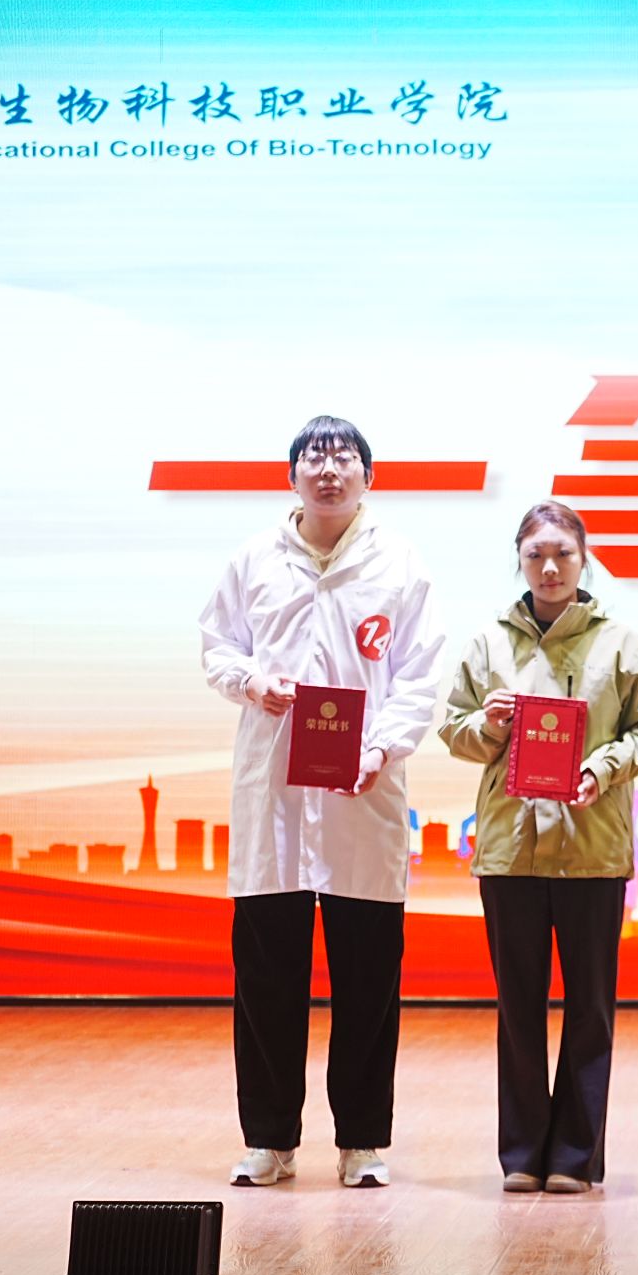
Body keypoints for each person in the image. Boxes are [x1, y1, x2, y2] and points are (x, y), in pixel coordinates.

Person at [199, 415, 445, 1189]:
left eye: (343, 457)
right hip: (273, 788)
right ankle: (268, 1140)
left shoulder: (399, 563)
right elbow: (216, 645)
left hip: (361, 790)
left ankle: (362, 1141)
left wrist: (383, 747)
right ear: (293, 475)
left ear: (368, 475)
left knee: (368, 977)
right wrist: (252, 681)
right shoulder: (254, 558)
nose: (329, 469)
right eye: (315, 456)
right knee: (266, 976)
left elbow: (420, 674)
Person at [440, 501, 638, 1194]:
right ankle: (521, 1153)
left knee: (590, 1007)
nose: (549, 567)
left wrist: (602, 767)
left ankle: (575, 1155)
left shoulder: (621, 644)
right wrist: (487, 725)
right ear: (519, 559)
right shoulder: (488, 642)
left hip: (592, 846)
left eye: (563, 553)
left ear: (583, 559)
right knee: (518, 1007)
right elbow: (453, 729)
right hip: (509, 849)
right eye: (536, 554)